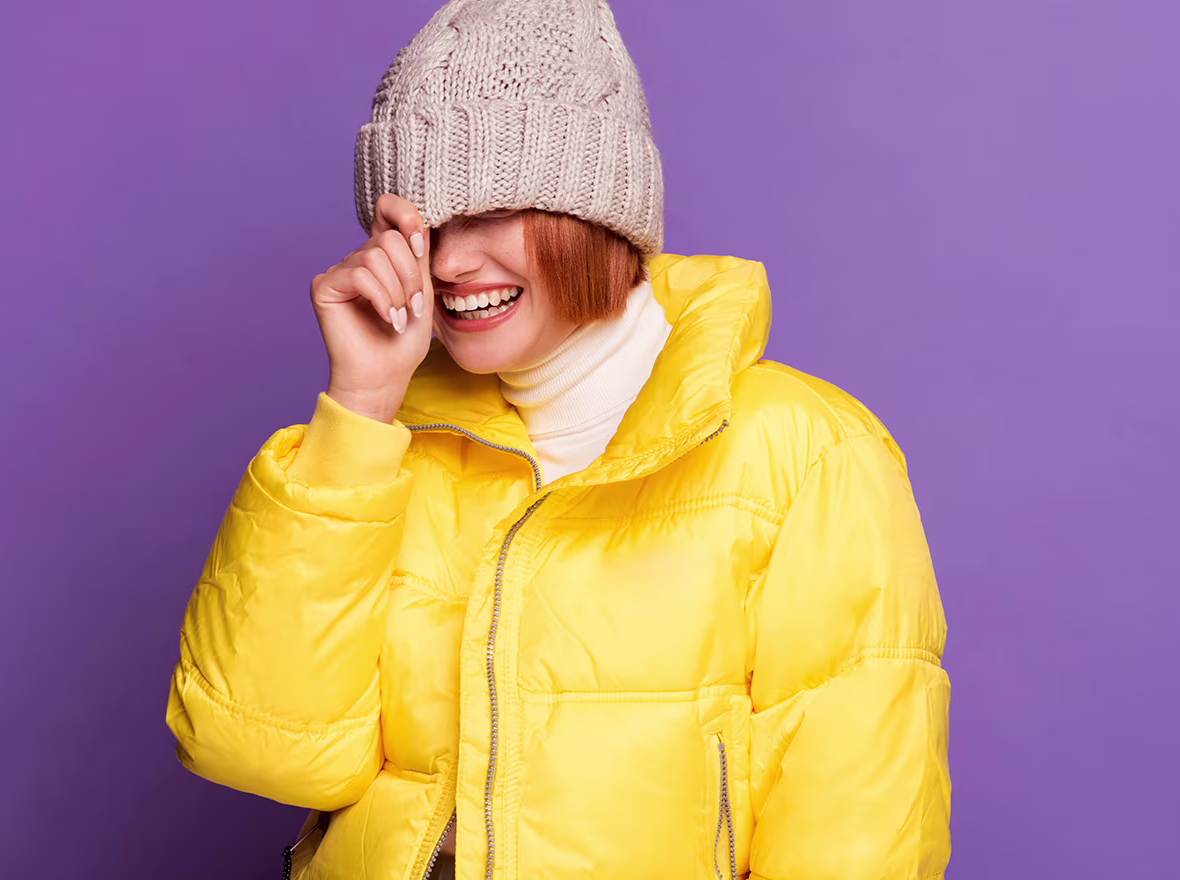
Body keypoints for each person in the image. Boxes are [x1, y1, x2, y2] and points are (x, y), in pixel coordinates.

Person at [164, 1, 951, 878]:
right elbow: (256, 751)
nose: (449, 263)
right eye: (423, 226)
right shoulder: (386, 446)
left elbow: (856, 836)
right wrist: (360, 405)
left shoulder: (805, 454)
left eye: (491, 212)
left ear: (595, 211)